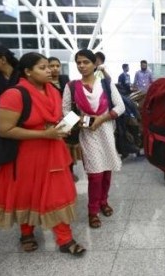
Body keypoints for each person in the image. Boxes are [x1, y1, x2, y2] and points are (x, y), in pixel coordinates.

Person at [0, 52, 86, 256]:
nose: (49, 70)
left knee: (58, 196)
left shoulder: (53, 91)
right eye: (43, 67)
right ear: (28, 72)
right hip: (26, 156)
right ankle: (26, 233)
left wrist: (65, 126)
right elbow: (4, 130)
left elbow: (55, 119)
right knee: (27, 194)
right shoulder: (14, 94)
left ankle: (65, 239)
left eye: (49, 66)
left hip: (54, 151)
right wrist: (44, 133)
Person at [62, 49, 125, 229]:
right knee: (95, 174)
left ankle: (103, 202)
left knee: (106, 171)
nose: (82, 66)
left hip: (105, 130)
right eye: (79, 62)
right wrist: (83, 120)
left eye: (86, 62)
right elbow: (66, 110)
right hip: (87, 132)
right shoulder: (72, 86)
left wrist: (102, 119)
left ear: (94, 64)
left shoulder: (105, 83)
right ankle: (93, 211)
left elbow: (120, 107)